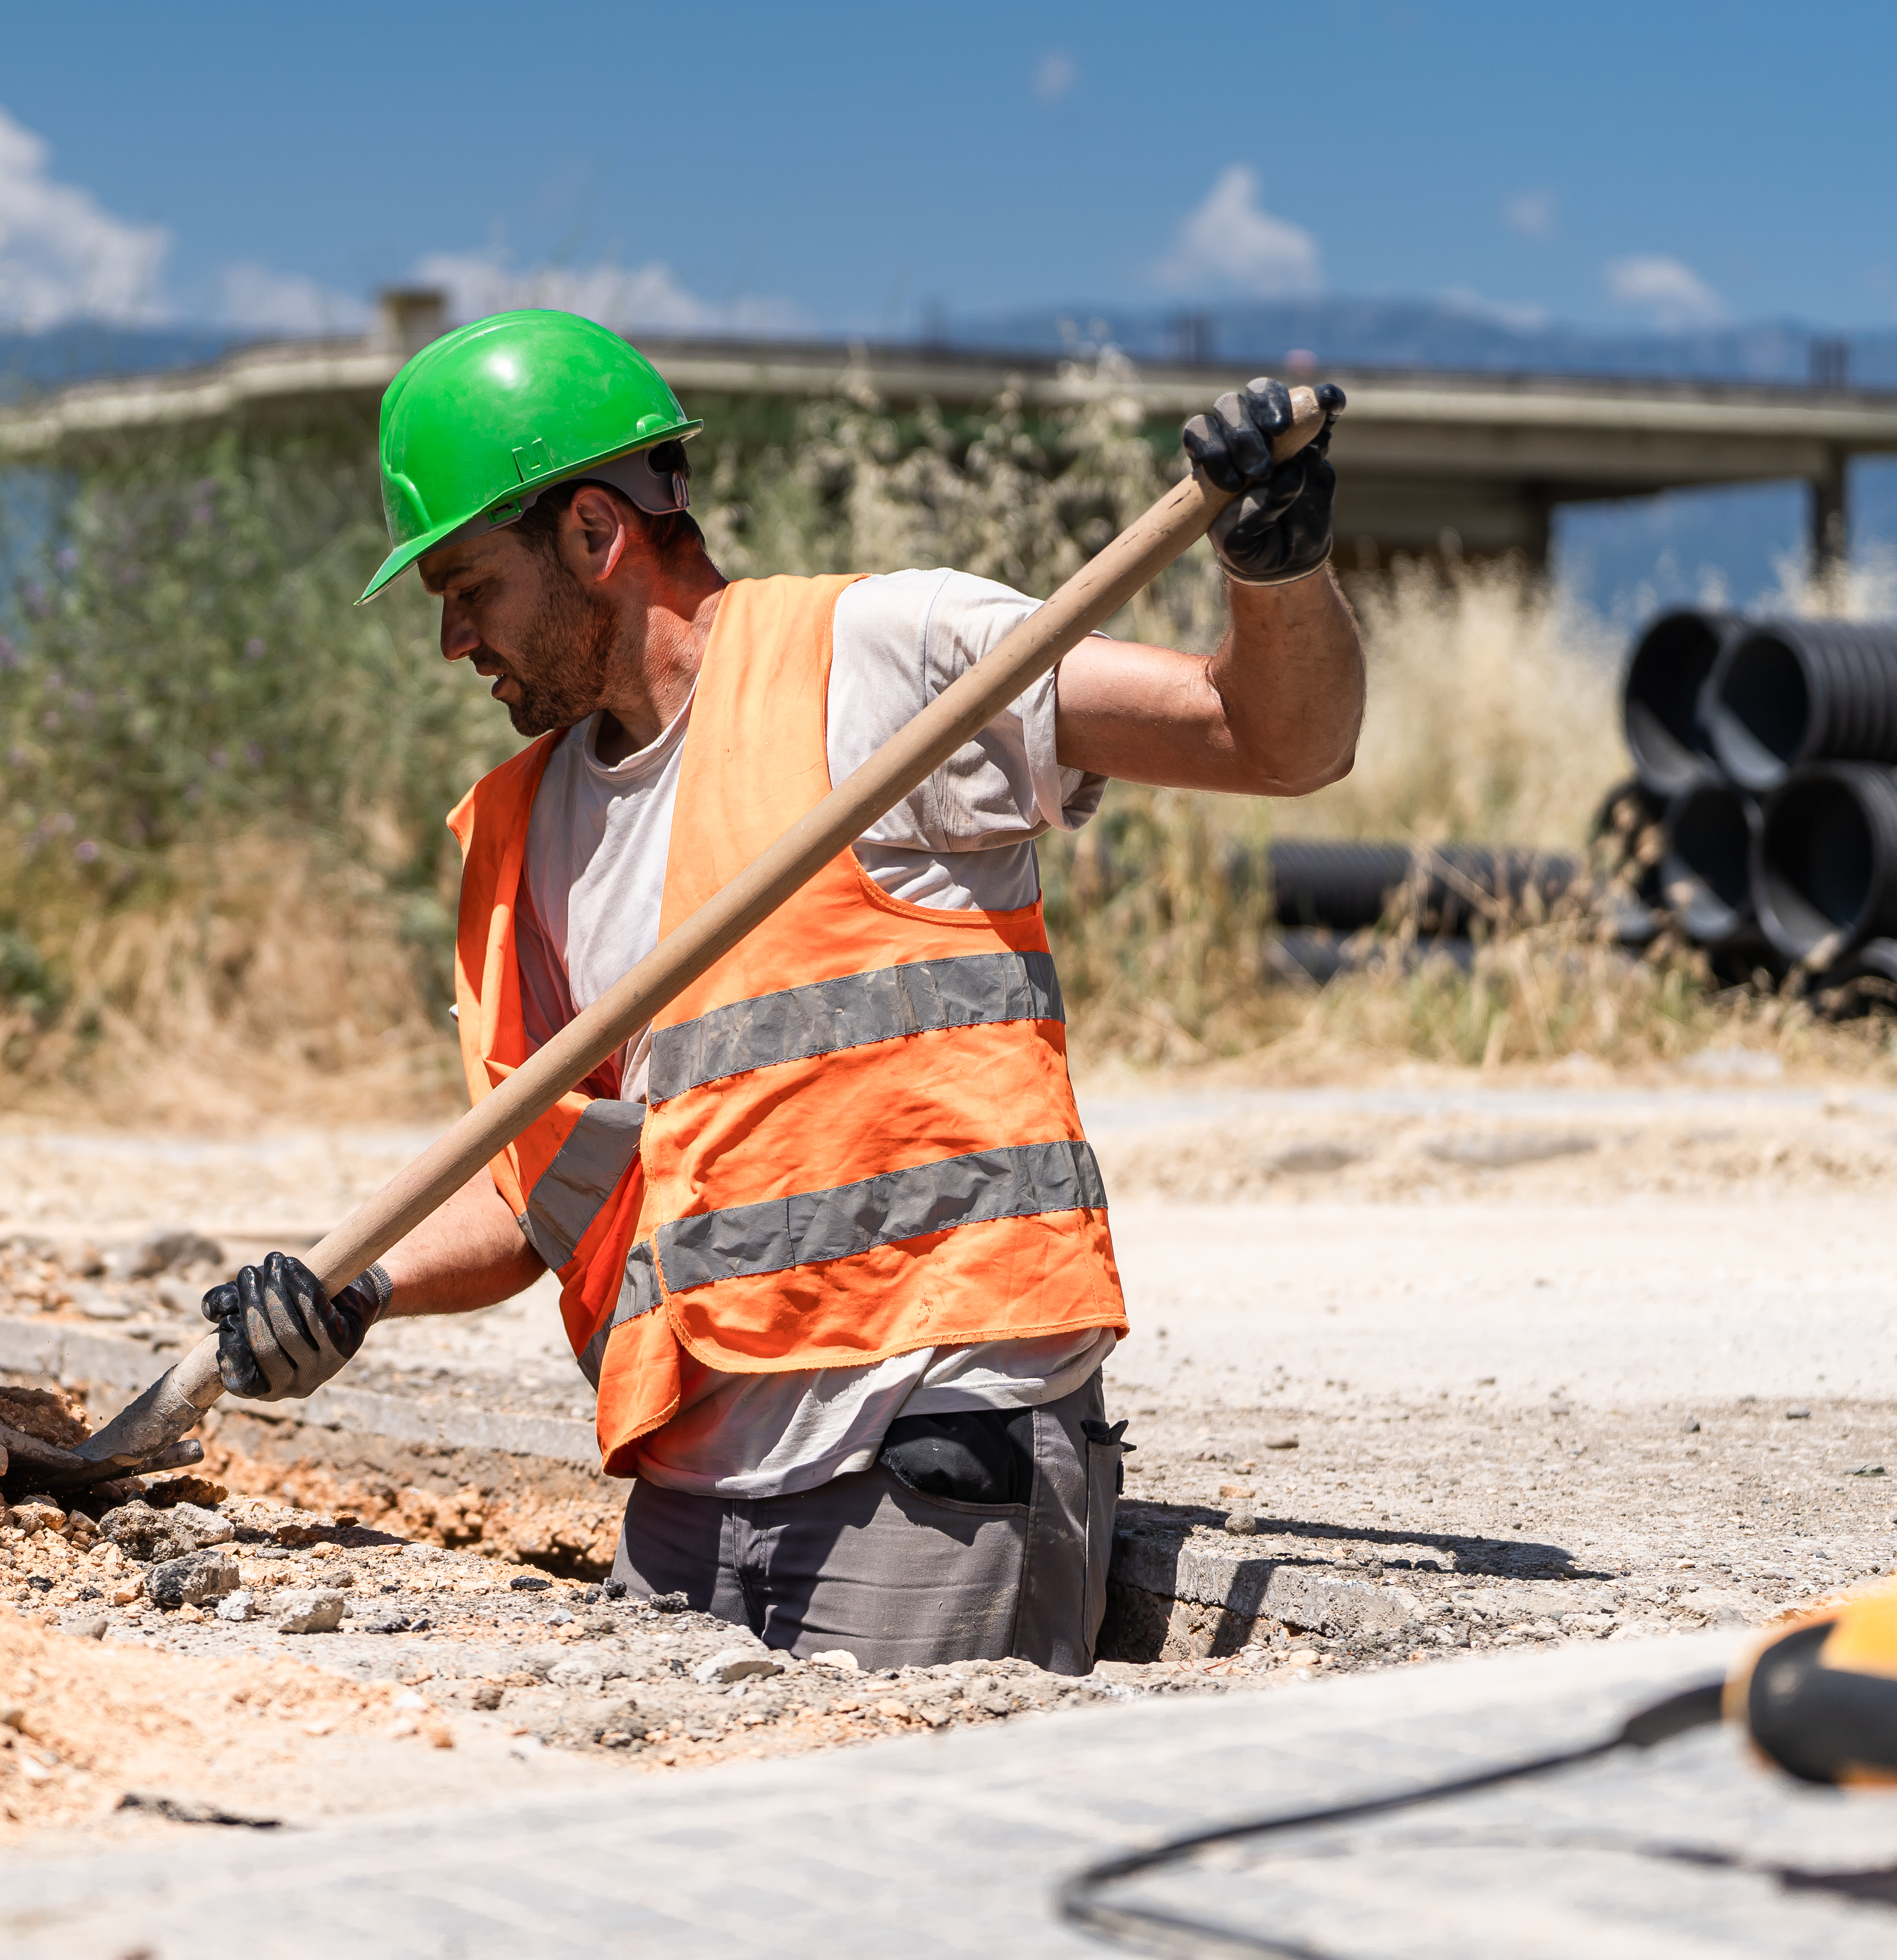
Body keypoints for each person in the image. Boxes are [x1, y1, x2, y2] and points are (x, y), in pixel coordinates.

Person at [202, 310, 1364, 1672]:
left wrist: (1275, 570)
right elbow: (548, 1179)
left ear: (591, 532)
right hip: (687, 1503)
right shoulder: (523, 829)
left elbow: (1278, 742)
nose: (453, 638)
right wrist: (357, 1289)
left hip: (922, 1467)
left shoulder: (883, 658)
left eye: (467, 585)